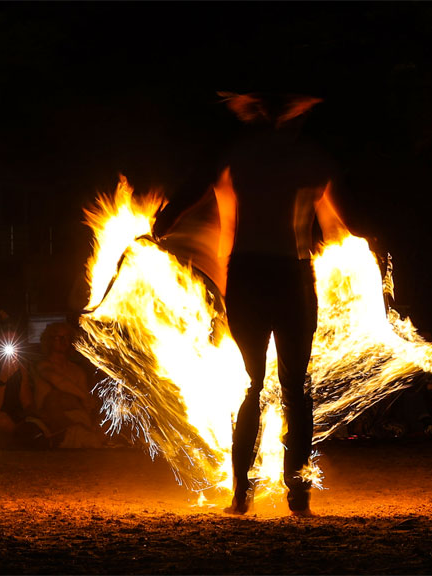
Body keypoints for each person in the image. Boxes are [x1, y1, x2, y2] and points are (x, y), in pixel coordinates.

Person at [153, 91, 346, 516]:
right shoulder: (310, 159)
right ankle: (296, 497)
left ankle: (243, 496)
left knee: (254, 386)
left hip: (250, 277)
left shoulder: (239, 155)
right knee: (294, 388)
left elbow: (191, 189)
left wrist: (165, 221)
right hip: (290, 277)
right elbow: (339, 226)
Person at [33, 322, 104, 449]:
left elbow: (86, 402)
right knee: (57, 397)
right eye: (58, 337)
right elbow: (57, 381)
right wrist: (83, 396)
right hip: (50, 420)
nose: (63, 341)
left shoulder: (77, 371)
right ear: (49, 340)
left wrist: (89, 410)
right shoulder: (43, 366)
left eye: (66, 338)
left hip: (78, 418)